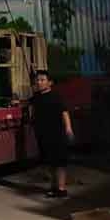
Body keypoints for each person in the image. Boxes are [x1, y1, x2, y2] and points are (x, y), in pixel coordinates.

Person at [30, 70, 74, 198]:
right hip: (43, 135)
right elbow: (28, 106)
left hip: (57, 133)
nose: (39, 82)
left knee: (60, 162)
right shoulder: (36, 97)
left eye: (42, 80)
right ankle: (54, 187)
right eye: (37, 80)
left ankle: (61, 189)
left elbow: (64, 112)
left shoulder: (56, 96)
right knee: (50, 162)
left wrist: (68, 128)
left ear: (50, 82)